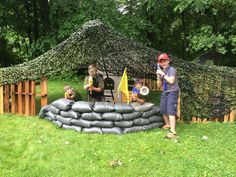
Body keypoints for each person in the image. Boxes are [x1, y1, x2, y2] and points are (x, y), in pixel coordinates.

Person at [156, 53, 180, 139]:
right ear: (159, 63)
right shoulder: (163, 71)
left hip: (173, 91)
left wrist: (162, 74)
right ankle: (168, 124)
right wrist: (158, 77)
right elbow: (159, 86)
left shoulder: (172, 70)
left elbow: (171, 81)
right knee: (163, 110)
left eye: (164, 61)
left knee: (170, 110)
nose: (163, 63)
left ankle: (173, 131)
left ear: (168, 61)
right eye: (161, 62)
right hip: (165, 92)